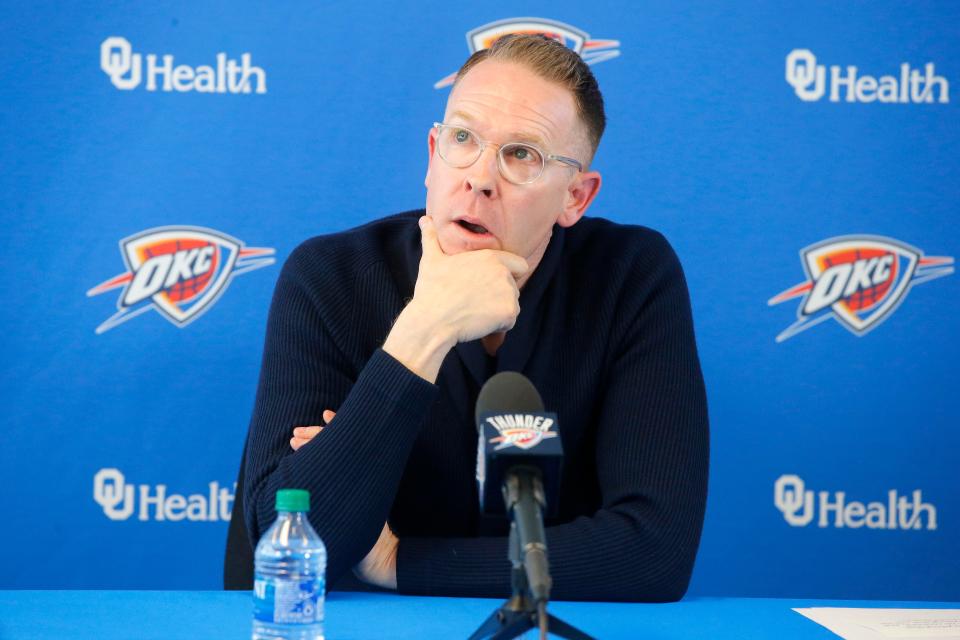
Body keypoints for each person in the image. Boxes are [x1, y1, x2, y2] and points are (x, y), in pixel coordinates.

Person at [243, 34, 708, 602]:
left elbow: (652, 553)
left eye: (522, 155)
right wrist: (426, 329)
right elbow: (284, 543)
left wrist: (399, 561)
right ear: (433, 154)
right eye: (464, 138)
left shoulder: (629, 278)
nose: (481, 177)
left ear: (575, 198)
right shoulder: (330, 277)